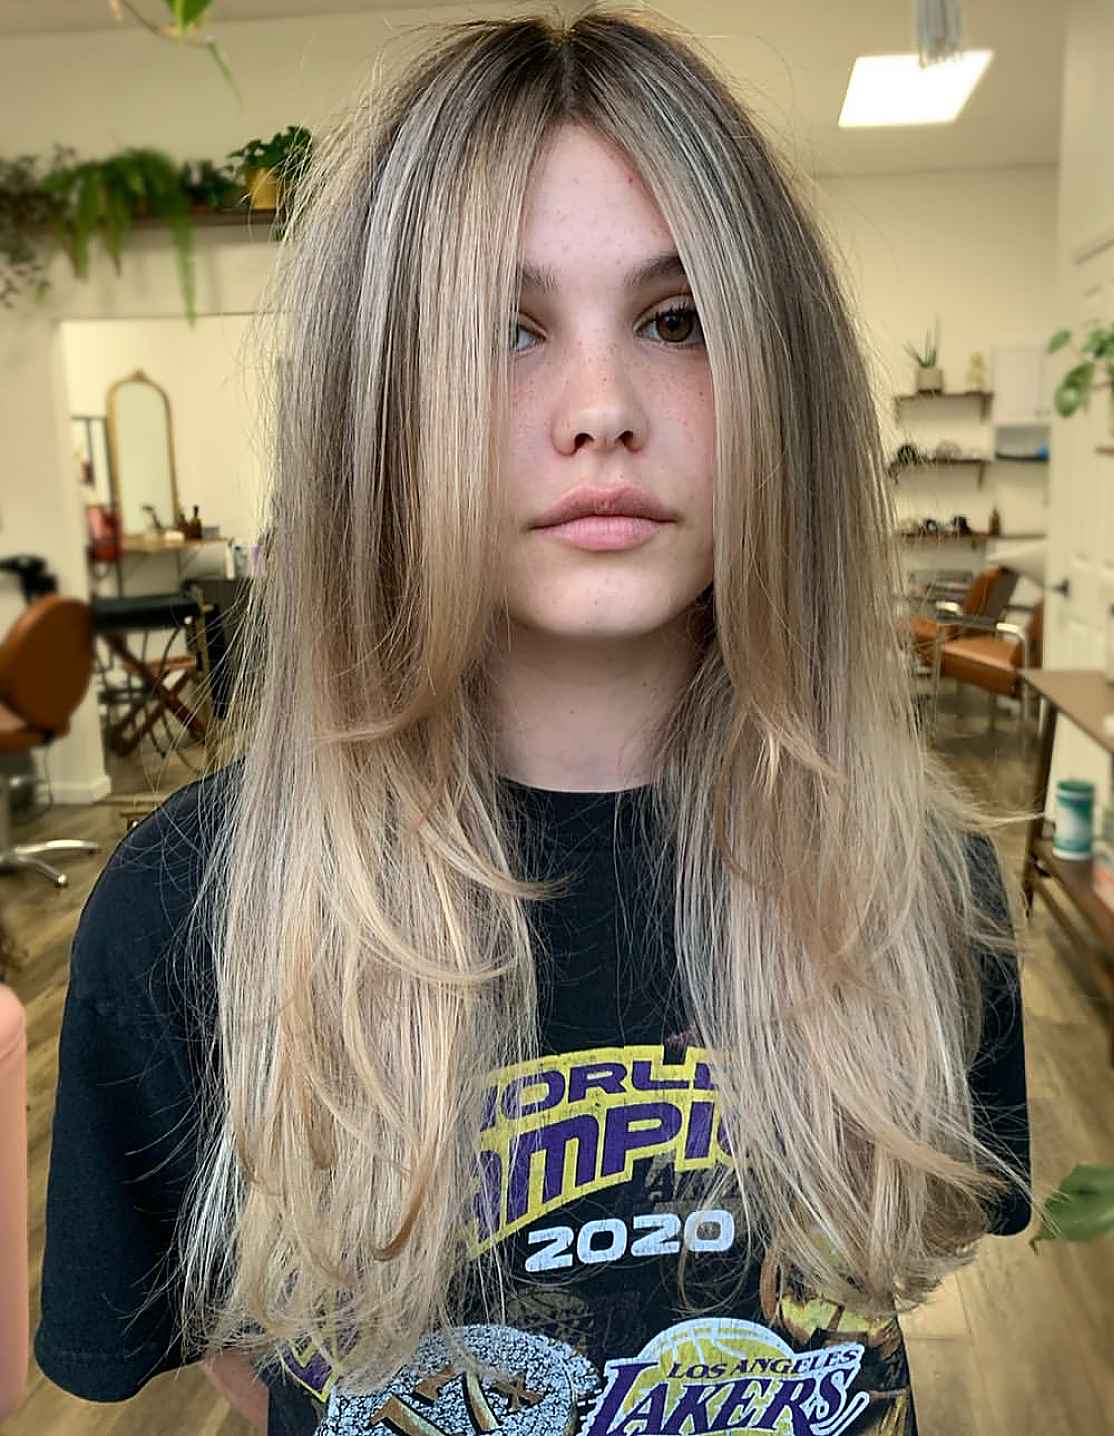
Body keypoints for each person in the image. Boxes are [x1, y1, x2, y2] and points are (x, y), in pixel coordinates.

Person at [35, 10, 1036, 1435]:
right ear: (377, 410)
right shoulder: (193, 909)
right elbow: (249, 1368)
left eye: (676, 320)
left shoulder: (921, 884)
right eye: (498, 331)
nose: (601, 411)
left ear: (782, 381)